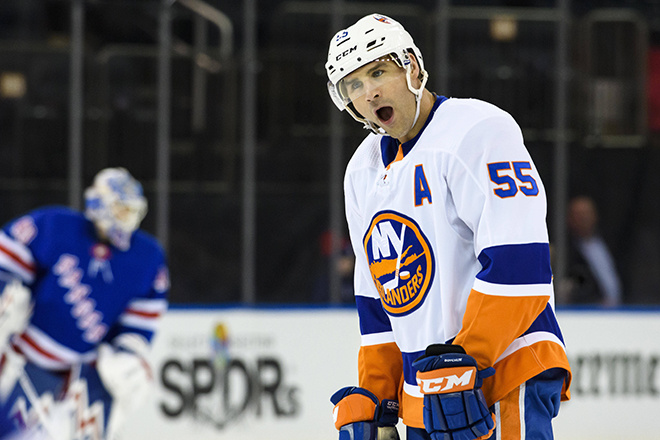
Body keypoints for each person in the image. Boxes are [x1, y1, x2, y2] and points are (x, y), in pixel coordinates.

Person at [325, 14, 571, 440]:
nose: (369, 93)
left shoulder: (479, 129)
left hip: (503, 372)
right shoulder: (361, 170)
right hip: (428, 394)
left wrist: (466, 361)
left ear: (412, 67)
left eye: (378, 72)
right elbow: (379, 296)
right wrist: (378, 394)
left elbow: (521, 267)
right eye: (354, 85)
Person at [0, 167, 169, 439]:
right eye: (121, 210)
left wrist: (127, 355)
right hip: (21, 359)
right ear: (99, 205)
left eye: (133, 211)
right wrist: (7, 293)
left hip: (83, 375)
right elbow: (6, 259)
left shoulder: (147, 259)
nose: (128, 220)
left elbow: (141, 321)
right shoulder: (55, 226)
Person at [562, 195, 622, 307]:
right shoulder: (565, 251)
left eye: (586, 213)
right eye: (578, 215)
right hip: (591, 311)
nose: (583, 218)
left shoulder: (613, 242)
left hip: (625, 309)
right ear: (569, 219)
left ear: (595, 215)